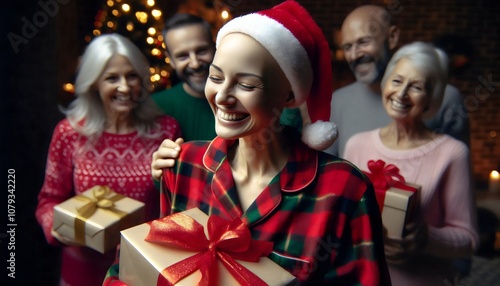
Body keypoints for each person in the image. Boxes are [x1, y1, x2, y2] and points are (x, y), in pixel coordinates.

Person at [105, 1, 390, 285]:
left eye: (246, 85)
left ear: (288, 96)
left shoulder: (344, 189)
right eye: (215, 77)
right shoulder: (183, 164)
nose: (222, 96)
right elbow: (152, 261)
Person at [35, 33, 181, 286]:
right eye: (112, 78)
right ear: (94, 83)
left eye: (132, 75)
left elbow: (177, 205)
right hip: (82, 271)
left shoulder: (166, 130)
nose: (125, 87)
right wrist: (61, 229)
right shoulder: (69, 133)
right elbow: (49, 200)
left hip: (143, 270)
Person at [344, 42, 479, 286]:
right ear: (386, 83)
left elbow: (468, 239)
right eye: (397, 81)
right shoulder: (356, 144)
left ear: (431, 98)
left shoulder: (452, 153)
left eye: (416, 87)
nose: (402, 94)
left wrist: (426, 239)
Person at [324, 5, 470, 157]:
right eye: (347, 47)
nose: (354, 55)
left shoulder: (446, 99)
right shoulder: (337, 102)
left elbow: (456, 169)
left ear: (392, 37)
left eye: (363, 42)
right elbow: (327, 172)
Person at [151, 13, 217, 141]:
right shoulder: (154, 107)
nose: (195, 63)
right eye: (183, 56)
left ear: (214, 47)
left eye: (201, 51)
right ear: (170, 60)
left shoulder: (241, 99)